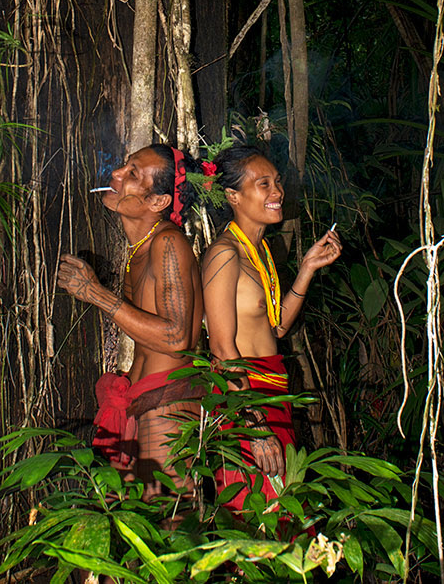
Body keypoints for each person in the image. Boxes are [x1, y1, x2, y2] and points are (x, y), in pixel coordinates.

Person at [57, 144, 206, 490]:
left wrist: (96, 294)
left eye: (133, 174)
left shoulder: (168, 245)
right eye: (124, 166)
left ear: (158, 202)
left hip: (167, 404)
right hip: (139, 400)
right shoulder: (140, 250)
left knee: (169, 524)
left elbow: (177, 338)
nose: (116, 175)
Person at [200, 144, 341, 508]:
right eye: (264, 184)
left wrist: (307, 269)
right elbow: (220, 346)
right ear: (233, 195)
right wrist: (254, 424)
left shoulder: (260, 252)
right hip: (246, 399)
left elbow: (276, 329)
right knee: (256, 514)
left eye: (277, 182)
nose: (277, 192)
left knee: (284, 512)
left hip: (272, 393)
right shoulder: (225, 253)